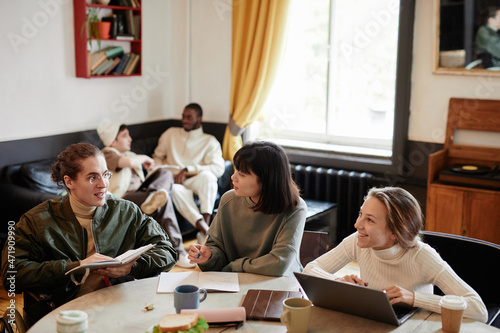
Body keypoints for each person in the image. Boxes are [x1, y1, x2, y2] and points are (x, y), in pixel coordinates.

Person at [1, 143, 177, 323]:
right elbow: (11, 274)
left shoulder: (126, 212)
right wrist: (76, 267)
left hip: (119, 307)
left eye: (106, 174)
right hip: (63, 314)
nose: (103, 184)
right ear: (69, 182)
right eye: (93, 177)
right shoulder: (35, 221)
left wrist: (131, 267)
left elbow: (167, 251)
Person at [303, 187, 488, 323]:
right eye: (361, 214)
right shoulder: (357, 241)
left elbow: (479, 310)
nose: (357, 225)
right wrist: (338, 281)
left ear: (394, 232)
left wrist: (414, 298)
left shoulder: (424, 257)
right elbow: (310, 269)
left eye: (369, 220)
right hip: (375, 322)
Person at [187, 141, 307, 277]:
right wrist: (209, 256)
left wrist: (235, 266)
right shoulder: (228, 200)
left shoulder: (295, 208)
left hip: (280, 283)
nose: (233, 177)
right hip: (236, 281)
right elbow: (217, 247)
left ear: (266, 180)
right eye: (236, 170)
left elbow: (278, 263)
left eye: (242, 174)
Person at [97, 123, 194, 268]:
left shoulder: (131, 155)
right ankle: (178, 251)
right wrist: (144, 158)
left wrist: (150, 170)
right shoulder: (106, 154)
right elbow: (128, 162)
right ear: (113, 141)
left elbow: (138, 169)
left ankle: (155, 195)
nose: (130, 139)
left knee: (165, 173)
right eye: (125, 135)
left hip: (143, 193)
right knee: (164, 200)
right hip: (124, 198)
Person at [153, 103, 225, 243]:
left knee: (209, 177)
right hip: (174, 180)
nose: (184, 120)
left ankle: (205, 226)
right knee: (173, 189)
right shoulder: (170, 134)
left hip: (195, 179)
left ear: (199, 119)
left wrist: (188, 170)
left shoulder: (209, 141)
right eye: (183, 116)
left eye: (189, 117)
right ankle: (205, 230)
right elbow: (156, 157)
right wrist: (169, 172)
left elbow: (218, 168)